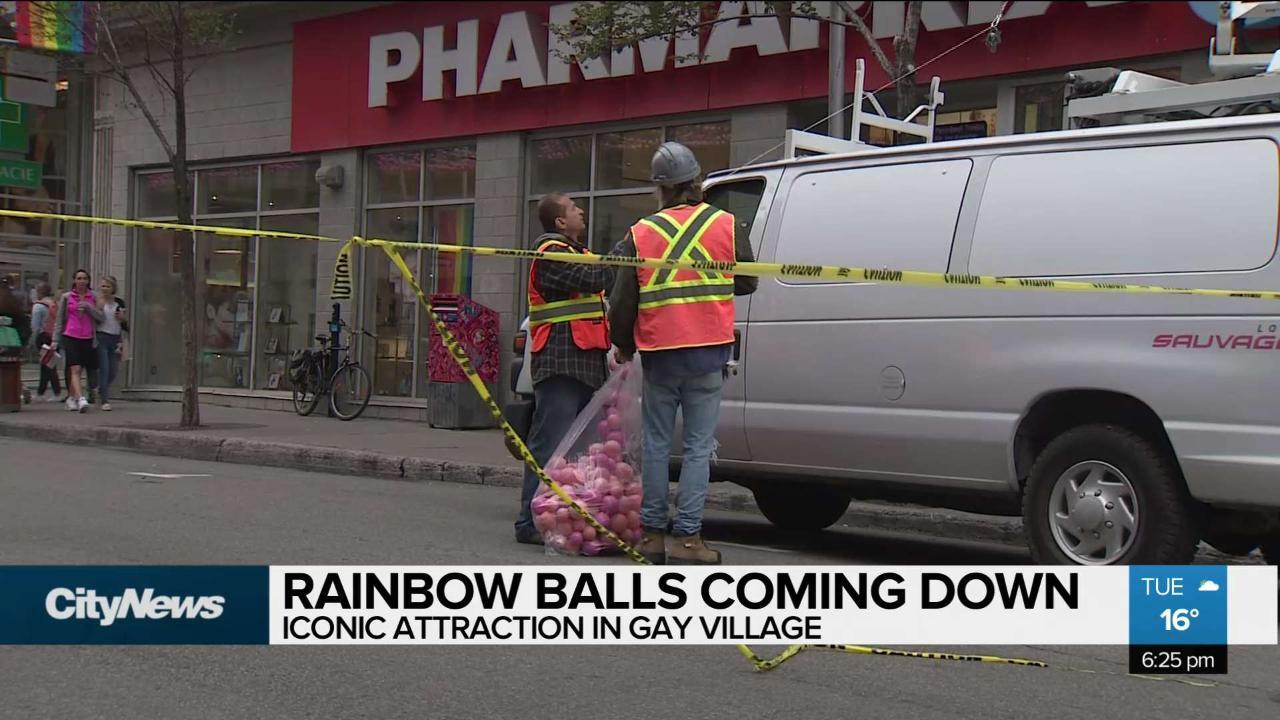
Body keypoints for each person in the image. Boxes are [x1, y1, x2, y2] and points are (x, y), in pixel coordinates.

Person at [607, 142, 758, 565]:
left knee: (656, 444)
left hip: (660, 352)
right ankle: (689, 540)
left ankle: (652, 536)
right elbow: (748, 282)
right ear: (696, 182)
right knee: (697, 446)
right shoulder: (726, 225)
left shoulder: (641, 232)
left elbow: (623, 300)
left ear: (661, 189)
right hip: (708, 351)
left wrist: (623, 343)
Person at [514, 193, 614, 545]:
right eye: (573, 209)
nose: (581, 211)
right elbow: (592, 279)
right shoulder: (550, 253)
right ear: (559, 222)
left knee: (578, 451)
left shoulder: (577, 254)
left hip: (585, 361)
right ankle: (529, 521)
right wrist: (625, 251)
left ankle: (566, 517)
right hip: (560, 362)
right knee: (548, 446)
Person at [52, 269, 103, 413]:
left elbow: (101, 317)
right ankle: (81, 399)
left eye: (84, 278)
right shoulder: (67, 297)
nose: (82, 281)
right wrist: (55, 339)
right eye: (79, 278)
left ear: (88, 281)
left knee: (84, 369)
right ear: (74, 280)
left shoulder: (93, 296)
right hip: (71, 335)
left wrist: (88, 307)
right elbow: (59, 320)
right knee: (75, 368)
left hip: (88, 337)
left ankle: (72, 397)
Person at [94, 275, 128, 411]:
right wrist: (99, 309)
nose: (105, 289)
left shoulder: (119, 302)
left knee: (113, 371)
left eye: (108, 286)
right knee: (104, 368)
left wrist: (123, 318)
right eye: (103, 286)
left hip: (115, 338)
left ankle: (100, 390)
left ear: (113, 288)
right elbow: (94, 320)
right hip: (101, 336)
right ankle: (104, 400)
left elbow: (125, 324)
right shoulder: (97, 301)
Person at [28, 281, 61, 402]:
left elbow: (35, 327)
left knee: (48, 365)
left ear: (40, 291)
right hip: (53, 336)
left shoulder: (38, 306)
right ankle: (41, 392)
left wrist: (31, 341)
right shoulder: (53, 303)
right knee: (48, 364)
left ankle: (56, 392)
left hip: (43, 337)